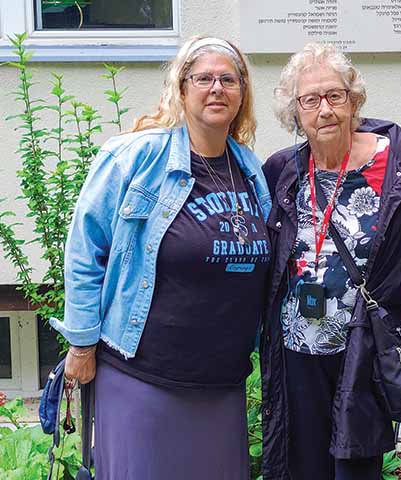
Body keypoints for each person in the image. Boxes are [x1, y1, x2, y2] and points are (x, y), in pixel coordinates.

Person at [49, 36, 271, 480]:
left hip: (221, 385)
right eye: (203, 78)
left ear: (242, 92)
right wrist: (81, 342)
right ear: (181, 87)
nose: (216, 89)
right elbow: (84, 250)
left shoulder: (248, 168)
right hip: (142, 380)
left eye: (228, 79)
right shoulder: (135, 157)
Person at [261, 43, 401, 480]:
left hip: (364, 345)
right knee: (305, 462)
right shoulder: (283, 169)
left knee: (356, 463)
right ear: (294, 111)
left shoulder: (396, 165)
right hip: (298, 347)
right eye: (310, 99)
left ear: (354, 99)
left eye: (335, 95)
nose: (325, 109)